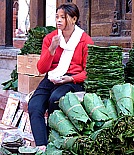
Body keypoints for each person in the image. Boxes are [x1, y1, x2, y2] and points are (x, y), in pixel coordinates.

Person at [28, 2, 94, 151]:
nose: (58, 20)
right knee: (35, 105)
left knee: (55, 98)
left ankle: (54, 138)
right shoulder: (51, 38)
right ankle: (41, 146)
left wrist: (71, 78)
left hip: (72, 79)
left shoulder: (85, 41)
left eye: (63, 17)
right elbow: (41, 68)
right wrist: (52, 48)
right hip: (52, 77)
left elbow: (87, 71)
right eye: (57, 17)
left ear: (74, 19)